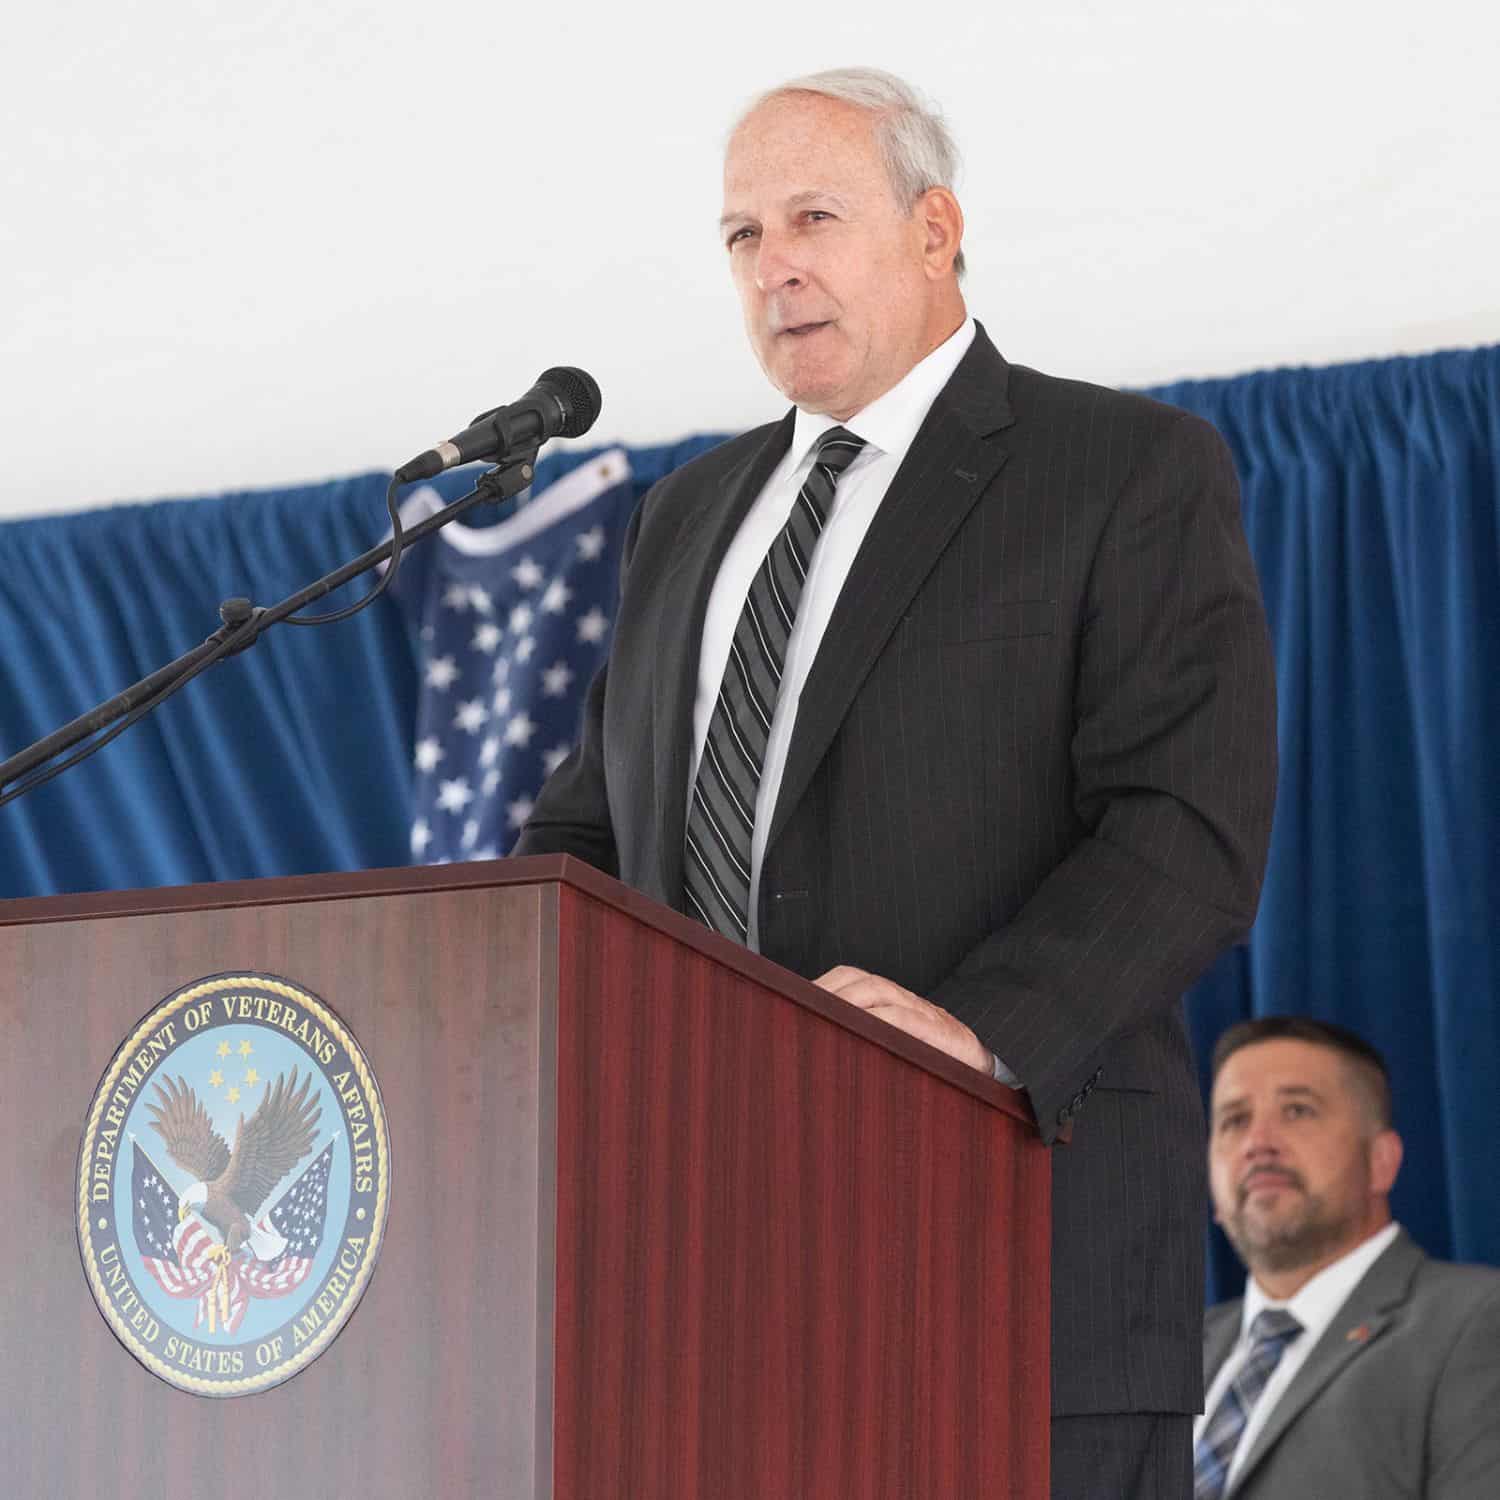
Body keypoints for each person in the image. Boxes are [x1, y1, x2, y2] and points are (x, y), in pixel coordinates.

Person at [517, 66, 1277, 1497]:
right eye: (742, 235)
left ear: (936, 230)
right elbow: (592, 835)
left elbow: (1185, 827)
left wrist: (966, 1031)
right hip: (706, 1288)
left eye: (814, 214)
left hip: (1006, 1239)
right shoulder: (686, 516)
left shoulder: (1121, 470)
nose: (773, 265)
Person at [1198, 1017, 1500, 1498]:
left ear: (1381, 1160)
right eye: (1234, 1120)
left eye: (1297, 1110)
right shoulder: (1174, 1355)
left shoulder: (1479, 1321)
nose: (1258, 1143)